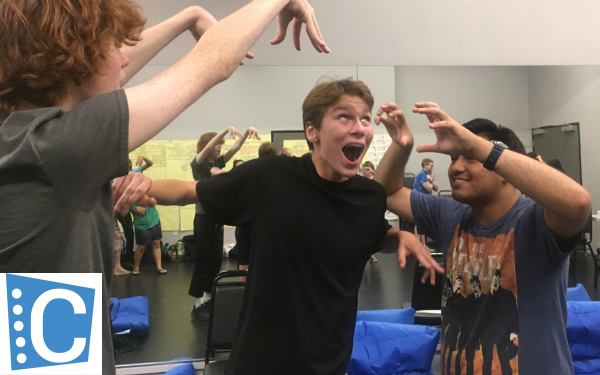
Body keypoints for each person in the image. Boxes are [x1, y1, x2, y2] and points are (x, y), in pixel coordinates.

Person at [0, 0, 329, 372]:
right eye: (112, 44)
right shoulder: (60, 148)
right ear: (73, 57)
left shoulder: (19, 137)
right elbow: (214, 61)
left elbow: (106, 75)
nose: (125, 59)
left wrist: (187, 17)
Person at [142, 78, 443, 375]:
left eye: (365, 118)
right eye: (344, 117)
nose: (359, 127)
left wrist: (399, 236)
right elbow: (188, 191)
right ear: (312, 131)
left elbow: (374, 235)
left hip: (331, 362)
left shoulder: (370, 195)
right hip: (261, 363)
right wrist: (134, 185)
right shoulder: (273, 177)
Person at [374, 101, 591, 375]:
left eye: (471, 157)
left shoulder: (535, 221)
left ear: (504, 170)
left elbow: (578, 203)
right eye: (454, 157)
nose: (456, 167)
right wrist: (401, 145)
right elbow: (386, 192)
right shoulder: (451, 214)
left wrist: (479, 146)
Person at [190, 126, 260, 319]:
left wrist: (246, 132)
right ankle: (197, 304)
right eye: (217, 145)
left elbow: (235, 148)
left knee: (215, 260)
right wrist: (224, 131)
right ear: (208, 146)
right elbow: (206, 148)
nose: (220, 147)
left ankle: (208, 299)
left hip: (217, 218)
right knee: (202, 261)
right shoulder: (198, 165)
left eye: (221, 144)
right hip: (203, 219)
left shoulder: (218, 162)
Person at [130, 204, 166, 275]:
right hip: (142, 226)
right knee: (141, 247)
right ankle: (136, 268)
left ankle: (159, 267)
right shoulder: (132, 201)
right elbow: (141, 211)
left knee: (156, 245)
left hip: (155, 221)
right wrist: (146, 199)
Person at [413, 158, 438, 250]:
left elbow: (436, 188)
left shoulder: (429, 174)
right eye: (431, 165)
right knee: (418, 223)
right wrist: (431, 181)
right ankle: (416, 246)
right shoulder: (421, 174)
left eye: (432, 165)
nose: (432, 166)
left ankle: (423, 246)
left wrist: (431, 180)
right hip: (418, 199)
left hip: (425, 200)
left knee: (422, 223)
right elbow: (429, 188)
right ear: (425, 165)